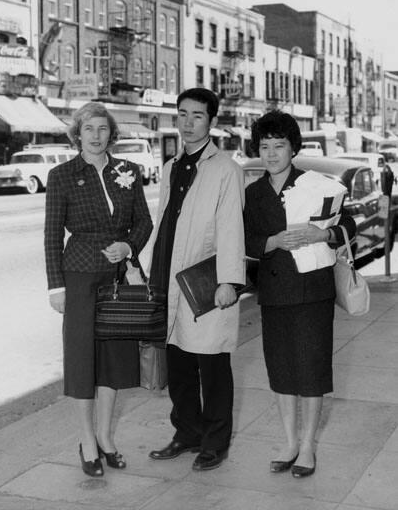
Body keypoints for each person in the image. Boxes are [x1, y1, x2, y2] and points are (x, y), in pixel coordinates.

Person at [244, 110, 356, 478]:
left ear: (294, 149)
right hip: (274, 292)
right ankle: (289, 441)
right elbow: (243, 239)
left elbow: (348, 224)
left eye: (280, 146)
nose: (272, 153)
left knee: (311, 369)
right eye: (265, 146)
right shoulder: (253, 193)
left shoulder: (315, 184)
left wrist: (322, 235)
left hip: (313, 291)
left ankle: (308, 445)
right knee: (281, 369)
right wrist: (272, 241)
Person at [44, 102, 152, 477]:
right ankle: (87, 440)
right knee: (82, 359)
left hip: (118, 277)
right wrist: (55, 287)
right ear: (78, 133)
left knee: (114, 360)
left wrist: (128, 247)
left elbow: (144, 221)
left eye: (102, 129)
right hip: (79, 278)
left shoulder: (129, 171)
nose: (95, 135)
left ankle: (106, 438)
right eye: (88, 128)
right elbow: (51, 234)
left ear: (111, 134)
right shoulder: (61, 175)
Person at [148, 88, 245, 471]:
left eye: (197, 116)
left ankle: (215, 442)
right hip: (169, 275)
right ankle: (186, 432)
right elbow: (165, 220)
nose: (187, 124)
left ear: (212, 121)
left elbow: (230, 228)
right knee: (179, 363)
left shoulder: (226, 169)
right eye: (182, 114)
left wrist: (229, 281)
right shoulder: (173, 166)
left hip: (205, 280)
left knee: (213, 365)